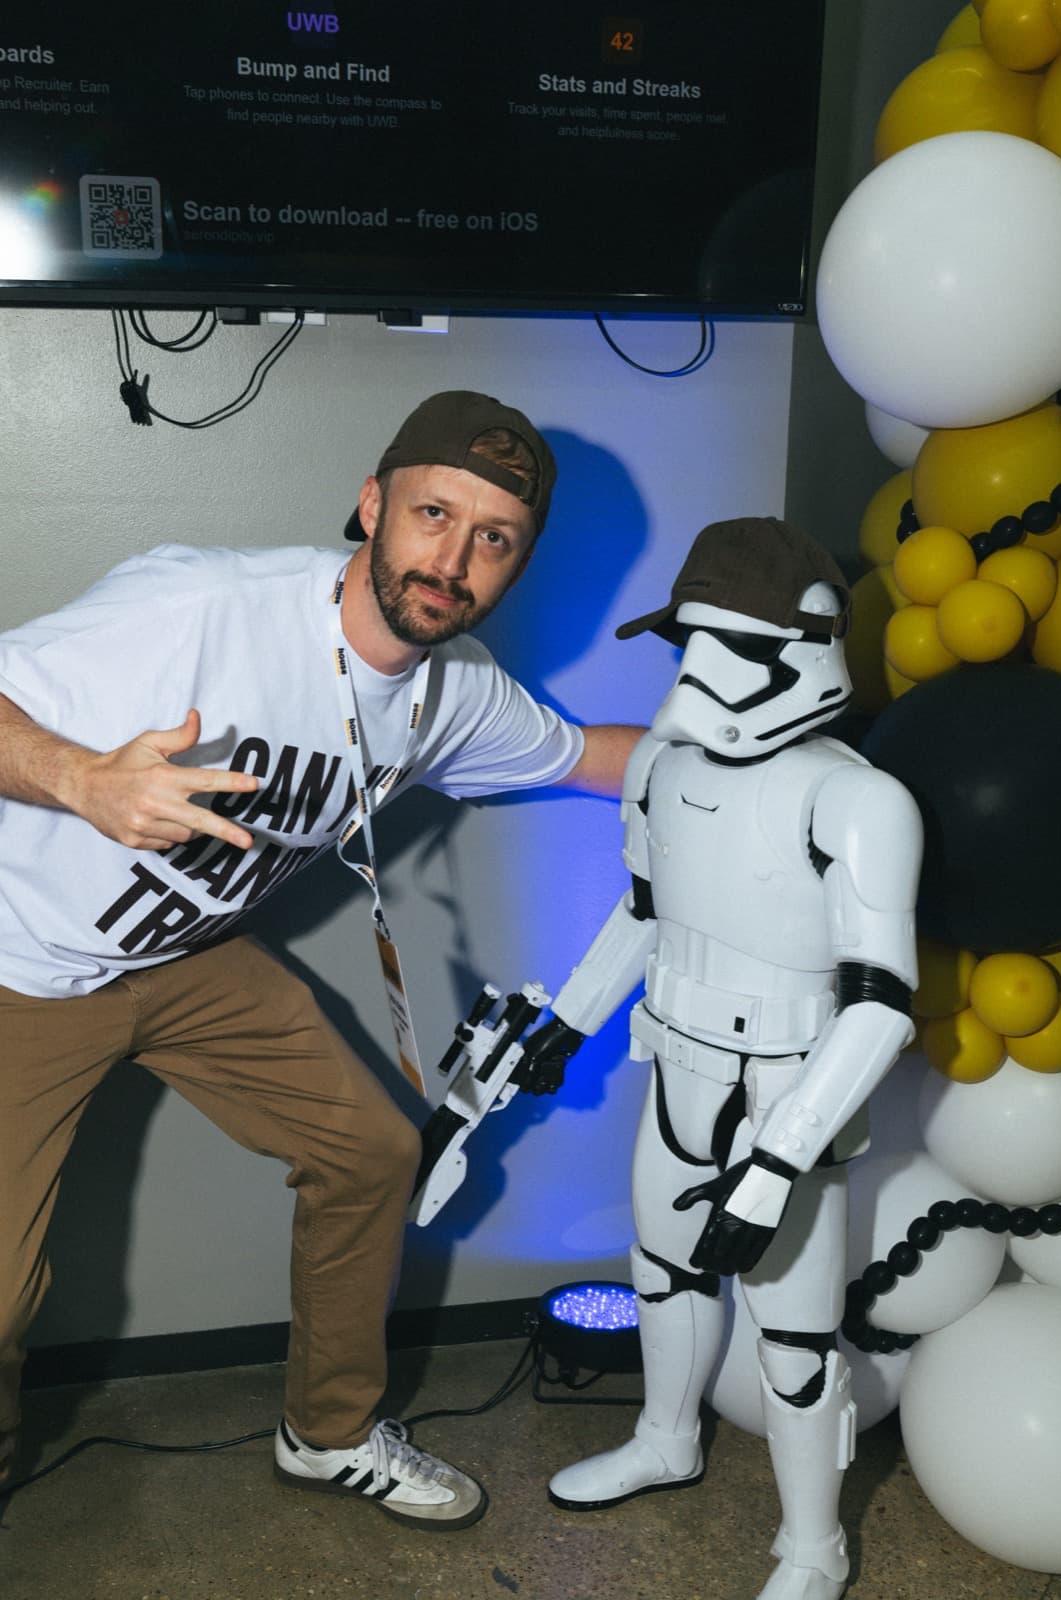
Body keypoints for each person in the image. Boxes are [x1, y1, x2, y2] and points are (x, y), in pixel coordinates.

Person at [0, 389, 641, 1529]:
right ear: (370, 504)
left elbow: (591, 755)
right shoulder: (203, 603)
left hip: (185, 958)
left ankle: (329, 1431)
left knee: (371, 1150)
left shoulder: (454, 693)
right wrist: (83, 779)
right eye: (432, 513)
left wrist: (770, 738)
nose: (452, 558)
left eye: (492, 539)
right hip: (22, 962)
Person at [516, 518, 923, 1598]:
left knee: (792, 1337)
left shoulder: (857, 800)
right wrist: (566, 1021)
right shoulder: (656, 765)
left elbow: (880, 1004)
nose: (696, 679)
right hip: (678, 1066)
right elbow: (643, 911)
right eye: (686, 643)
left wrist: (780, 1157)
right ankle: (665, 1437)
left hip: (790, 1078)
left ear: (808, 646)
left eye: (733, 648)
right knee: (662, 1273)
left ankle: (811, 1546)